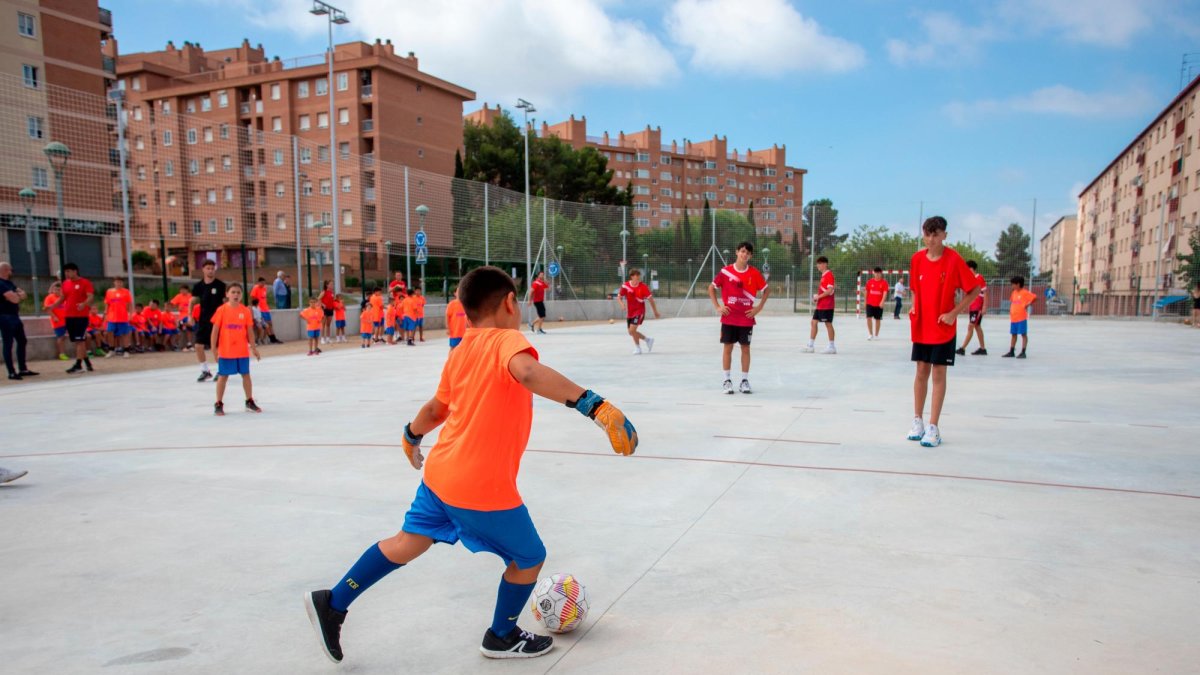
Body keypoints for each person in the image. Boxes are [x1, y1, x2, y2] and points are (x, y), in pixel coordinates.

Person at [303, 265, 638, 663]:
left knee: (406, 543)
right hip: (479, 484)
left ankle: (333, 602)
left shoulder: (460, 350)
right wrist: (594, 406)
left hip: (441, 474)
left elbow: (435, 409)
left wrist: (411, 436)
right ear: (510, 303)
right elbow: (528, 372)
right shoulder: (507, 341)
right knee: (529, 557)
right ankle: (501, 635)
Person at [907, 216, 980, 448]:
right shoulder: (917, 259)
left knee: (939, 373)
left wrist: (953, 313)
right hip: (921, 325)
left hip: (942, 327)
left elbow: (974, 290)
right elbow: (914, 290)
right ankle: (917, 420)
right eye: (927, 234)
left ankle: (933, 427)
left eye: (936, 234)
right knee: (921, 371)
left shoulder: (954, 260)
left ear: (944, 235)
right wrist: (913, 305)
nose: (931, 239)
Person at [708, 241, 769, 394]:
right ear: (737, 252)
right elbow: (711, 287)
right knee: (727, 348)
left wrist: (758, 307)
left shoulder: (754, 273)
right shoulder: (726, 271)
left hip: (746, 318)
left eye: (748, 253)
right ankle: (727, 380)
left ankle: (744, 381)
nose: (744, 254)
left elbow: (766, 290)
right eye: (742, 251)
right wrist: (718, 307)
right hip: (729, 318)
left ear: (750, 256)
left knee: (745, 348)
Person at [210, 283, 262, 415]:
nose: (236, 295)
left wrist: (254, 348)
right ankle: (218, 403)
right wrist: (214, 349)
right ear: (227, 294)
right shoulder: (222, 310)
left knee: (246, 375)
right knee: (223, 376)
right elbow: (215, 331)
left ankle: (249, 401)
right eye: (233, 292)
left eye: (238, 292)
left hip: (242, 350)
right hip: (226, 351)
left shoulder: (245, 311)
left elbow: (249, 331)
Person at [48, 262, 95, 374]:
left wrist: (84, 304)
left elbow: (90, 296)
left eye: (69, 271)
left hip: (81, 316)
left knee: (80, 340)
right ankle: (87, 362)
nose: (67, 274)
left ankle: (78, 365)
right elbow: (63, 298)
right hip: (69, 316)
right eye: (65, 272)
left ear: (75, 271)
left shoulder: (85, 282)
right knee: (78, 341)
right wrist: (52, 306)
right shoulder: (65, 284)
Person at [188, 259, 227, 382]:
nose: (210, 270)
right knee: (198, 346)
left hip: (217, 321)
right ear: (203, 270)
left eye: (212, 268)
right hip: (203, 320)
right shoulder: (198, 286)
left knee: (216, 346)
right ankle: (205, 371)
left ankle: (221, 370)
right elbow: (192, 301)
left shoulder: (220, 285)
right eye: (208, 268)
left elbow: (226, 302)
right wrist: (190, 316)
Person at [0, 261, 38, 380]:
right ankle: (11, 371)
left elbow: (23, 294)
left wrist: (17, 295)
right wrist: (17, 296)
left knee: (22, 340)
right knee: (8, 343)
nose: (11, 272)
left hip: (14, 316)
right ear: (5, 270)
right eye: (10, 270)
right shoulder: (1, 284)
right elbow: (15, 299)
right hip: (5, 316)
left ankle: (23, 368)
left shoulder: (9, 283)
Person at [618, 269, 660, 355]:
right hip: (630, 312)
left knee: (633, 330)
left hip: (639, 311)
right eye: (636, 276)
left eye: (639, 276)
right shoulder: (625, 286)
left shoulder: (643, 287)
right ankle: (648, 340)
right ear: (632, 276)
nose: (638, 277)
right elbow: (619, 297)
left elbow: (651, 300)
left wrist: (655, 311)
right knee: (631, 332)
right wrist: (621, 304)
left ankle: (638, 348)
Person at [804, 256, 837, 354]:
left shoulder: (829, 275)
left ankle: (832, 347)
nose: (818, 265)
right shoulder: (823, 276)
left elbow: (830, 290)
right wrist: (817, 297)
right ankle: (810, 345)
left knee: (828, 324)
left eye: (820, 263)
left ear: (825, 264)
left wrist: (818, 296)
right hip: (820, 305)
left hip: (827, 305)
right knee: (813, 322)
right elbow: (825, 290)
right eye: (817, 263)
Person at [957, 261, 988, 356]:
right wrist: (964, 306)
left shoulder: (979, 278)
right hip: (972, 307)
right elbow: (969, 295)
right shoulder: (969, 279)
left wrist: (984, 307)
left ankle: (962, 348)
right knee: (977, 327)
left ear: (972, 268)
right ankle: (983, 349)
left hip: (977, 307)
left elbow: (985, 293)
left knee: (971, 326)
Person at [1003, 276, 1037, 359]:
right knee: (1013, 334)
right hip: (1014, 318)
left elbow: (1034, 297)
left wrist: (1028, 304)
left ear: (1018, 284)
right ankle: (1011, 351)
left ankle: (1023, 352)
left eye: (1013, 284)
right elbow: (1013, 302)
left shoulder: (1024, 292)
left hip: (1021, 318)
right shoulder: (1014, 292)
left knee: (1023, 334)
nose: (1012, 286)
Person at [103, 277, 133, 358]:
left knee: (124, 334)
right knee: (110, 332)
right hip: (112, 316)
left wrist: (130, 314)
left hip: (123, 316)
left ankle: (126, 350)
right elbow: (107, 303)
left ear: (122, 283)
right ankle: (111, 350)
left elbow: (129, 304)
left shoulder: (126, 292)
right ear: (114, 282)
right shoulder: (109, 291)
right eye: (117, 282)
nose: (118, 283)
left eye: (120, 282)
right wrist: (105, 312)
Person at [250, 277, 283, 344]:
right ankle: (271, 338)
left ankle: (273, 338)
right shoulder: (256, 288)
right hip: (260, 309)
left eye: (264, 283)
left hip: (266, 308)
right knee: (266, 324)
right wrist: (256, 307)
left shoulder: (264, 288)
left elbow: (264, 298)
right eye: (262, 283)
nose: (263, 284)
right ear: (258, 282)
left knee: (270, 323)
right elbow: (253, 298)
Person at [42, 281, 68, 360]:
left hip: (66, 320)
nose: (57, 291)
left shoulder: (63, 297)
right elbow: (47, 309)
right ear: (53, 290)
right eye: (56, 290)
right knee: (61, 337)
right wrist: (54, 316)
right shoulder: (50, 297)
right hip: (58, 321)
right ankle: (61, 353)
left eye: (59, 290)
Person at [863, 266, 889, 341]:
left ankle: (876, 335)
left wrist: (882, 301)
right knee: (868, 318)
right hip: (870, 303)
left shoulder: (884, 282)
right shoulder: (869, 282)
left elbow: (885, 293)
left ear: (881, 273)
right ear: (873, 273)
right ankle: (870, 334)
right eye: (876, 273)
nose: (877, 274)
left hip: (879, 304)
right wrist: (865, 301)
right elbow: (866, 292)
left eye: (879, 273)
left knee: (877, 319)